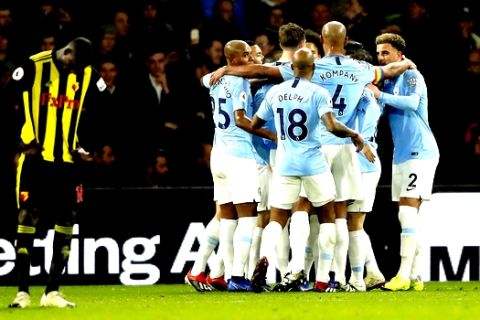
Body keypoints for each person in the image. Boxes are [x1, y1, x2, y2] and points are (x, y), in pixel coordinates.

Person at [208, 21, 415, 290]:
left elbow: (259, 71)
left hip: (306, 150)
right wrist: (407, 63)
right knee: (337, 215)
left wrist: (227, 68)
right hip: (341, 148)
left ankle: (282, 267)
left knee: (287, 213)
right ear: (345, 39)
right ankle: (336, 278)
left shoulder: (314, 72)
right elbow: (388, 71)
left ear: (323, 42)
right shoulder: (360, 69)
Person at [250, 47, 365, 293]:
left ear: (292, 68)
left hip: (284, 163)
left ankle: (264, 259)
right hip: (313, 163)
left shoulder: (276, 92)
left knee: (278, 217)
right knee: (327, 216)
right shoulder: (317, 92)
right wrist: (354, 134)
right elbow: (332, 126)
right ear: (313, 69)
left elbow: (254, 123)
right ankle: (324, 279)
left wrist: (275, 135)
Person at [7, 37, 105, 308]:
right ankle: (22, 292)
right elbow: (5, 101)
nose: (75, 72)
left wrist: (89, 146)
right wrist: (18, 144)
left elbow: (106, 108)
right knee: (28, 216)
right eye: (73, 64)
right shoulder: (32, 66)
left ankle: (52, 291)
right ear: (67, 51)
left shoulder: (87, 73)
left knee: (68, 219)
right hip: (35, 162)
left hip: (68, 163)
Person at [201, 39, 276, 292]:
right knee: (248, 218)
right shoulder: (240, 81)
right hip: (239, 155)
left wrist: (223, 68)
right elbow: (241, 120)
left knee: (227, 218)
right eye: (247, 55)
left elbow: (204, 79)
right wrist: (270, 135)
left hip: (218, 154)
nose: (251, 59)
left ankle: (219, 275)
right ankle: (237, 276)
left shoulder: (213, 79)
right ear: (240, 57)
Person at [368, 32, 439, 291]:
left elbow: (411, 103)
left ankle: (402, 275)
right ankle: (417, 274)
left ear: (400, 54)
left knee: (406, 212)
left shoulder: (411, 76)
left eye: (386, 53)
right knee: (409, 217)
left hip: (420, 151)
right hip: (401, 154)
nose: (381, 57)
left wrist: (380, 96)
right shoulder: (387, 82)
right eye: (379, 53)